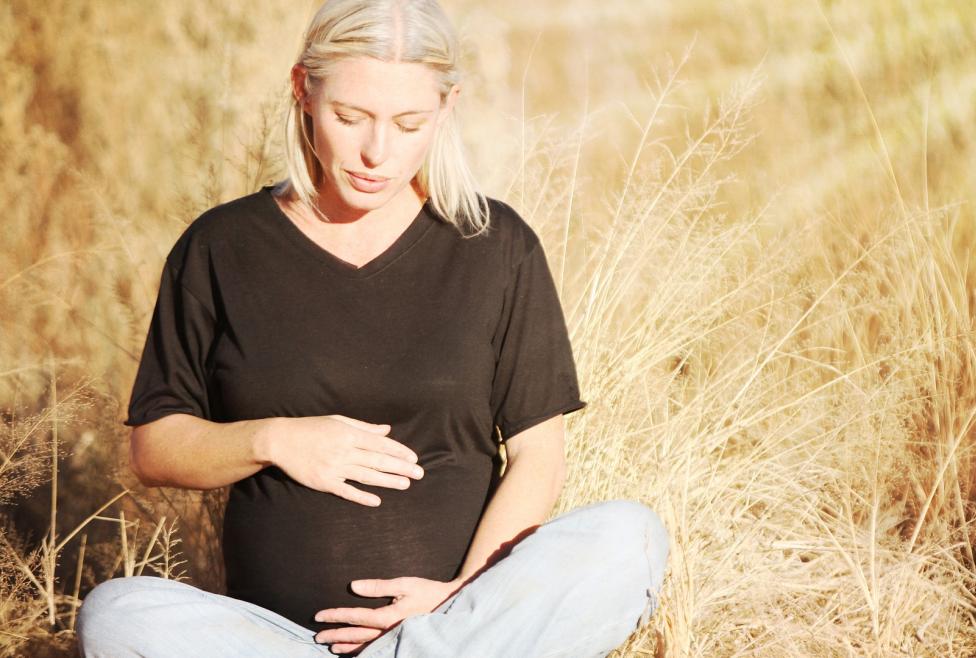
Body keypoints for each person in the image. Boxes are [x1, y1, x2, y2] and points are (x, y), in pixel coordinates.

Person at [75, 0, 669, 655]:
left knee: (631, 539)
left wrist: (458, 598)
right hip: (276, 641)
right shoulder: (222, 246)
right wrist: (275, 439)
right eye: (350, 117)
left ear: (447, 108)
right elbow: (156, 448)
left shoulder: (496, 246)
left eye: (408, 122)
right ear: (303, 89)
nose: (376, 152)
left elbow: (538, 454)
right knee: (118, 614)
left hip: (457, 626)